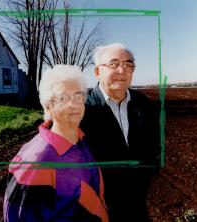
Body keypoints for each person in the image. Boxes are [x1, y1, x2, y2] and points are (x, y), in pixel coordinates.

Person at [3, 65, 108, 222]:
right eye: (63, 98)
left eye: (78, 96)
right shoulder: (36, 163)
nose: (73, 104)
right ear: (48, 106)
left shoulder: (82, 140)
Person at [80, 43, 160, 222]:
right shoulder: (81, 107)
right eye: (114, 64)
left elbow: (153, 147)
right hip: (96, 210)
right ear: (97, 72)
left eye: (128, 64)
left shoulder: (143, 104)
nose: (122, 70)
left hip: (137, 206)